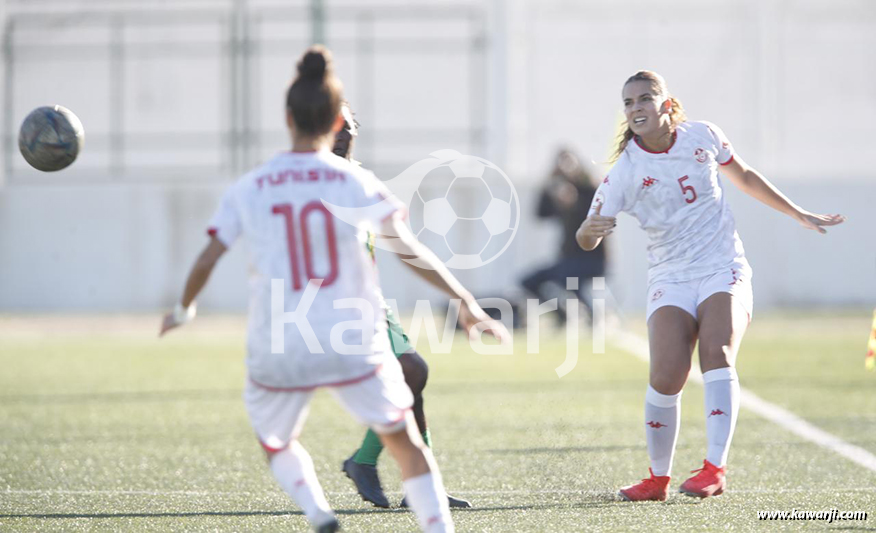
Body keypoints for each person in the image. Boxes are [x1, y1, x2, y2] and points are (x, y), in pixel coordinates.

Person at [158, 46, 503, 532]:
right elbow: (407, 250)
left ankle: (319, 513)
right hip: (351, 335)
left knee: (277, 443)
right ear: (337, 120)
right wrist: (465, 301)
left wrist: (183, 309)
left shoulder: (252, 186)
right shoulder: (355, 182)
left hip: (281, 339)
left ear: (287, 117)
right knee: (406, 444)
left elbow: (208, 257)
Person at [576, 70, 845, 501]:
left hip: (723, 267)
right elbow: (586, 237)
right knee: (667, 375)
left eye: (644, 99)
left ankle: (714, 469)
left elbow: (745, 176)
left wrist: (797, 212)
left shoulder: (703, 136)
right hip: (670, 277)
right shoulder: (625, 172)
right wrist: (588, 230)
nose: (635, 108)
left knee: (716, 354)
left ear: (666, 105)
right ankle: (657, 479)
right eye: (628, 103)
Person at [333, 103, 493, 509]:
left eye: (347, 124)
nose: (341, 132)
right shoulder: (303, 180)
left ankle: (400, 478)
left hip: (369, 303)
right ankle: (381, 469)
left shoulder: (361, 180)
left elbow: (403, 245)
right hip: (327, 306)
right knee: (408, 374)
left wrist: (462, 297)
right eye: (331, 124)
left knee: (412, 375)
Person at [522, 149, 609, 324]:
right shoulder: (559, 193)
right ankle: (561, 314)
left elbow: (597, 216)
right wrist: (549, 185)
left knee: (568, 278)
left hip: (592, 258)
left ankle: (595, 317)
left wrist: (574, 204)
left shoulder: (591, 189)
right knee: (528, 282)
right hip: (568, 258)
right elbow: (540, 213)